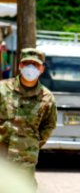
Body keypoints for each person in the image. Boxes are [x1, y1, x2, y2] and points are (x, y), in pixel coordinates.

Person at [0, 48, 57, 184]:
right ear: (20, 66)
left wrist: (30, 144)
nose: (30, 67)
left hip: (25, 162)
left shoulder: (47, 98)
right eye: (26, 63)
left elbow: (48, 126)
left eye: (35, 64)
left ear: (42, 69)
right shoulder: (2, 89)